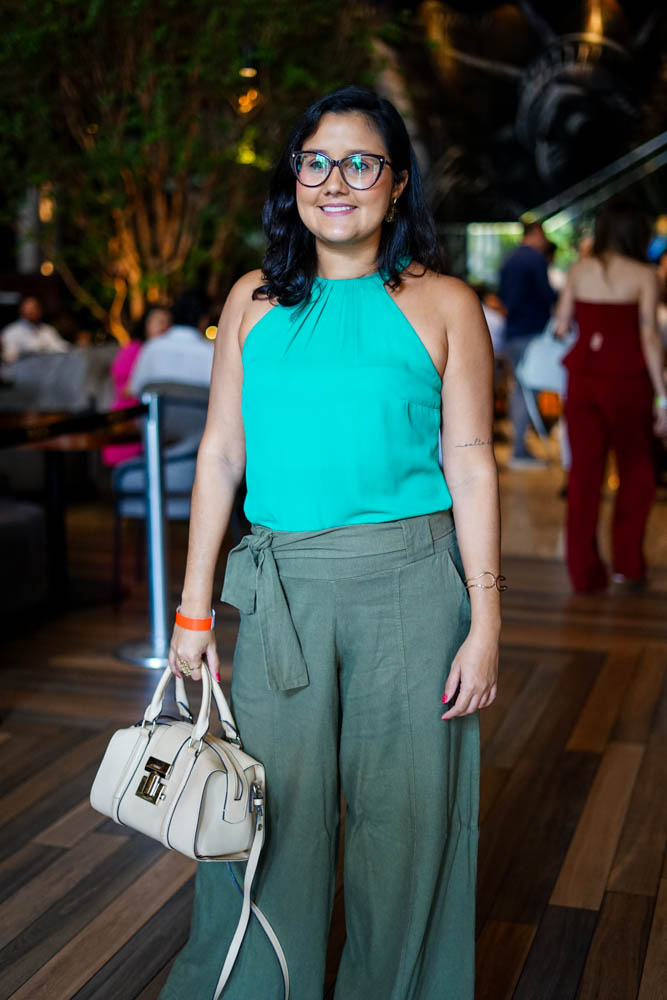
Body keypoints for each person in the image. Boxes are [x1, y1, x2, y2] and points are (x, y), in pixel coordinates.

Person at [160, 86, 501, 1000]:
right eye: (316, 162)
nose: (335, 181)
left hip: (414, 587)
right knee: (265, 819)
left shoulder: (444, 304)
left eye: (359, 163)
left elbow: (471, 463)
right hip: (283, 593)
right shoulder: (252, 301)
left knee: (406, 824)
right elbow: (219, 456)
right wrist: (193, 612)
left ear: (397, 184)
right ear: (294, 179)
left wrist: (486, 622)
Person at [555, 200, 667, 592]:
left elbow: (561, 325)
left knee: (584, 476)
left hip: (583, 378)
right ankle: (627, 565)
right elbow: (649, 337)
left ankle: (584, 573)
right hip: (628, 380)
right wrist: (663, 398)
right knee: (637, 471)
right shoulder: (645, 275)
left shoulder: (579, 270)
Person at [499, 220, 558, 466]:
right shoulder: (534, 259)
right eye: (542, 235)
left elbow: (504, 297)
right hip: (531, 334)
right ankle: (519, 450)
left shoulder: (509, 259)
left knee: (519, 389)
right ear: (534, 234)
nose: (544, 241)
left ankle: (519, 446)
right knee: (526, 391)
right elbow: (547, 294)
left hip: (512, 331)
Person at [102, 306, 172, 466]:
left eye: (168, 322)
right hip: (129, 421)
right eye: (159, 322)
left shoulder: (158, 352)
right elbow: (127, 389)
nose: (164, 327)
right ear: (145, 324)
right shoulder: (135, 350)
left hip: (150, 420)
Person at [129, 290, 213, 395]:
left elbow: (134, 389)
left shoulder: (152, 347)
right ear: (204, 320)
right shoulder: (210, 353)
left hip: (158, 406)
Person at [0, 295, 70, 363]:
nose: (31, 311)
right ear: (21, 310)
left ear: (40, 310)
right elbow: (9, 357)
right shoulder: (11, 332)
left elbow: (60, 347)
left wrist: (73, 348)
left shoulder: (47, 329)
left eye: (34, 308)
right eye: (28, 308)